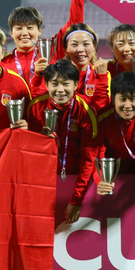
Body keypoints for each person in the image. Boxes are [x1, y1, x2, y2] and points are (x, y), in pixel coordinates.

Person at [28, 59, 98, 225]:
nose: (60, 90)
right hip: (44, 184)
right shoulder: (36, 107)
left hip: (75, 180)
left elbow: (88, 159)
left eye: (66, 84)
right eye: (54, 84)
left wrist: (77, 199)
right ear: (46, 84)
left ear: (76, 85)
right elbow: (28, 155)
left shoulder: (86, 110)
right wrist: (39, 139)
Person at [95, 72, 135, 196]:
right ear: (113, 100)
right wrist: (100, 180)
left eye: (133, 99)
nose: (127, 106)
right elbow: (97, 155)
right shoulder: (101, 119)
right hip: (110, 175)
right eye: (122, 99)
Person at [63, 23, 110, 112]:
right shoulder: (59, 74)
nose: (80, 50)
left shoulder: (103, 74)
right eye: (74, 44)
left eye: (86, 44)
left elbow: (102, 110)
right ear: (66, 48)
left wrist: (101, 78)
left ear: (94, 46)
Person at [1, 6, 47, 95]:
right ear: (11, 33)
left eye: (30, 27)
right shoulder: (3, 64)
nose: (25, 33)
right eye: (19, 28)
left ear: (39, 31)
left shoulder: (49, 59)